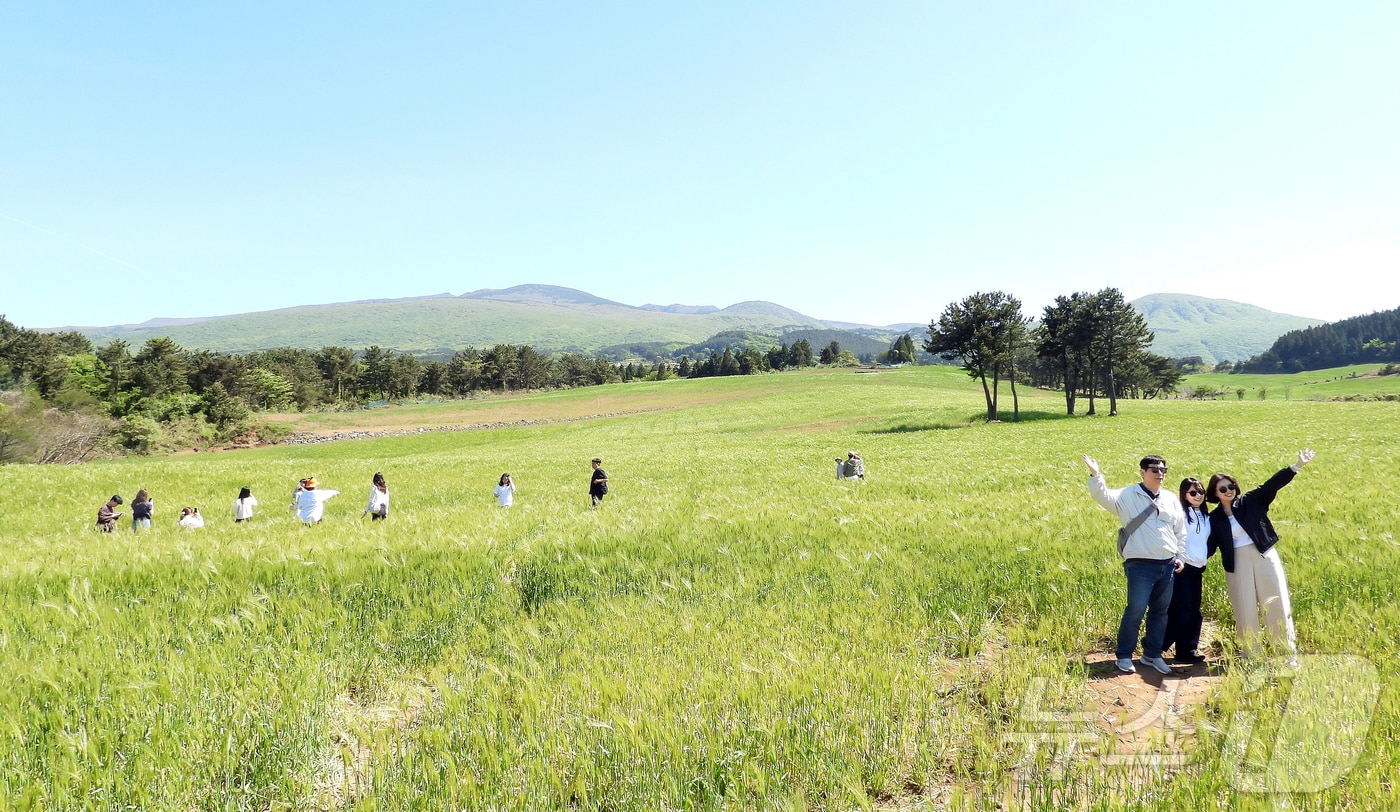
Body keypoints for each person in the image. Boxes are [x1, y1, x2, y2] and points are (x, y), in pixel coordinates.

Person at [1206, 449, 1314, 661]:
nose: (1229, 490)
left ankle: (1285, 654)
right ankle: (1251, 655)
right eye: (1223, 488)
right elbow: (1208, 547)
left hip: (1264, 554)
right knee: (1244, 607)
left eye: (1231, 486)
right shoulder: (1214, 518)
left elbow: (1272, 485)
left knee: (1277, 603)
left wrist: (1296, 466)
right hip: (1236, 563)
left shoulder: (1251, 500)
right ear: (1216, 493)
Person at [1084, 454, 1187, 675]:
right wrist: (1096, 474)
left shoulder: (1169, 498)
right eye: (1154, 469)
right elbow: (1103, 496)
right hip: (1140, 565)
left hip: (1167, 564)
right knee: (1135, 610)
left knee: (1160, 612)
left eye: (1163, 470)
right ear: (1142, 472)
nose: (1160, 474)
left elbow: (1180, 530)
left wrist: (1180, 556)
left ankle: (1152, 655)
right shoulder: (1127, 495)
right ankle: (1123, 655)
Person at [1162, 478, 1210, 663]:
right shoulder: (1180, 514)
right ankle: (1157, 646)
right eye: (1193, 492)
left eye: (1200, 492)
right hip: (1182, 568)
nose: (1198, 495)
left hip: (1198, 569)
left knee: (1194, 611)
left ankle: (1187, 650)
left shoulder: (1206, 517)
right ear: (1184, 495)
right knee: (1180, 610)